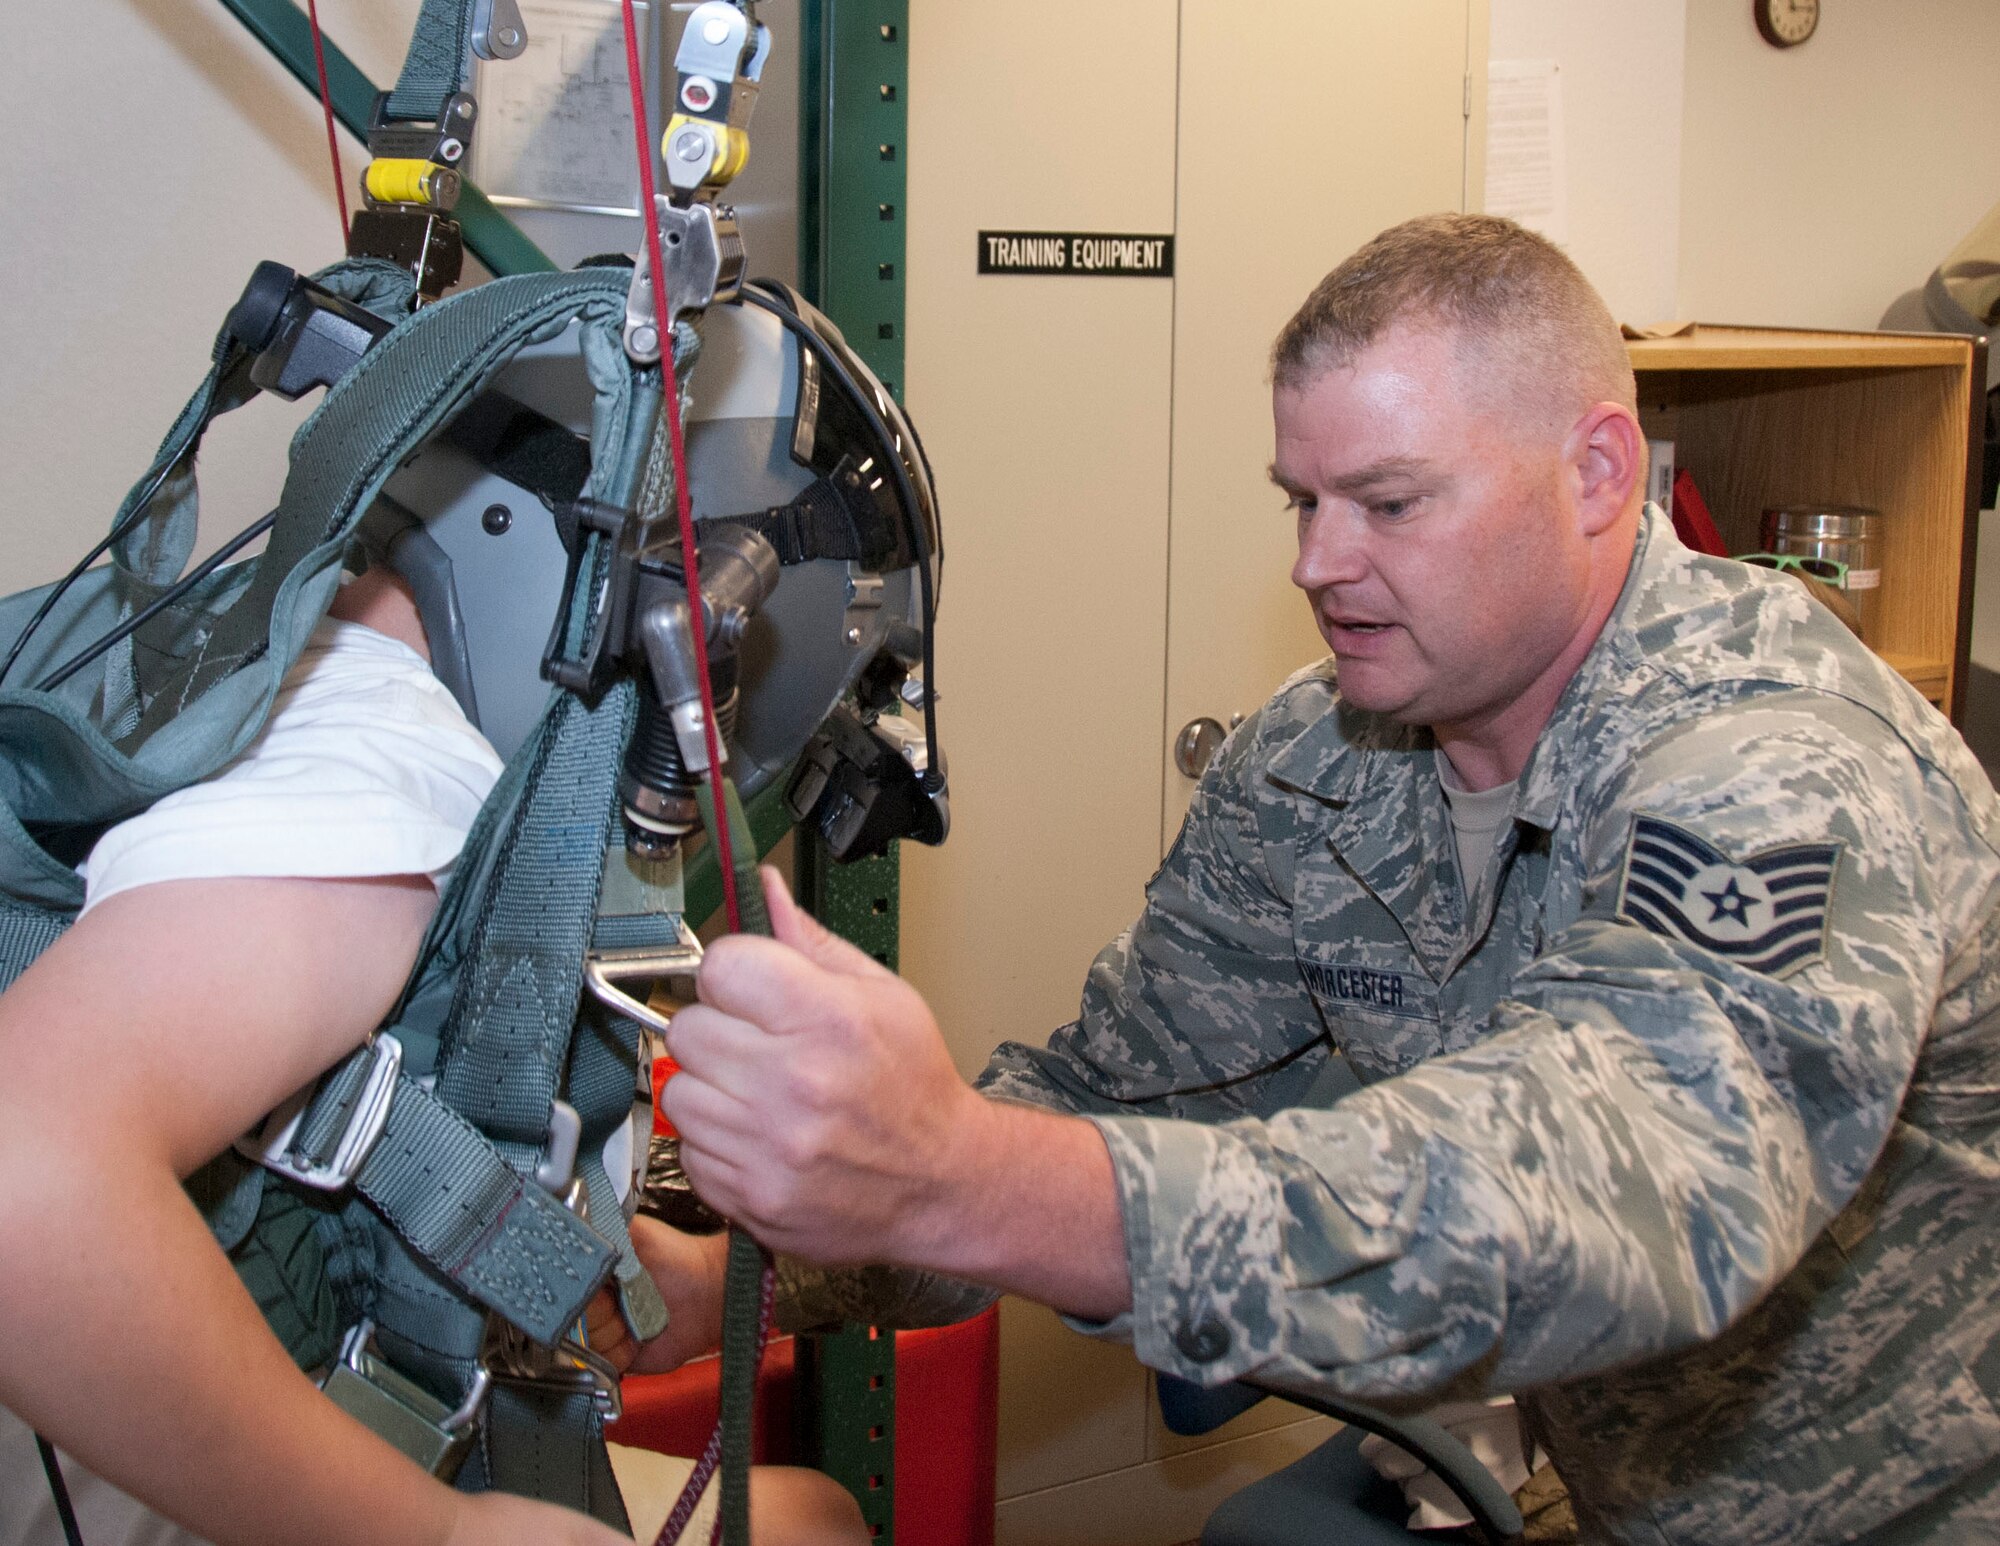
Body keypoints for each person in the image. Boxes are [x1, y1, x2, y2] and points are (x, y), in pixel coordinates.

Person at [645, 214, 2000, 1544]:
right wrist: (738, 1282)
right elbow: (1099, 1101)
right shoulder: (1318, 755)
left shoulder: (1776, 760)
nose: (1316, 563)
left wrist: (955, 1173)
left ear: (1596, 473)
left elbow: (1618, 1190)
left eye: (1391, 502)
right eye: (1303, 500)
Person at [0, 569, 865, 1546]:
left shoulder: (254, 640)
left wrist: (690, 1284)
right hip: (72, 1416)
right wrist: (439, 1532)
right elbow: (24, 1176)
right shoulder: (393, 762)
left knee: (814, 1521)